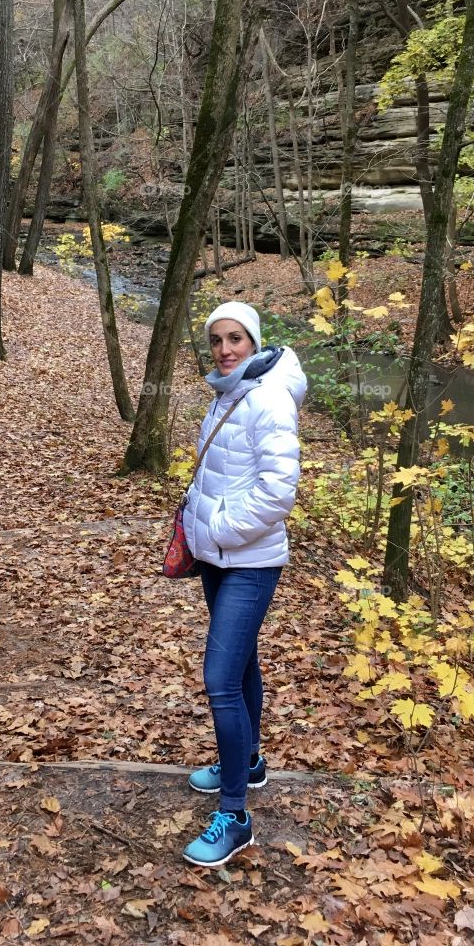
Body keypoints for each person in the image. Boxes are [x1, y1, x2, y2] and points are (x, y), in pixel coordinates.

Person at [180, 300, 307, 868]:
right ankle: (249, 761)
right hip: (218, 555)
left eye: (236, 339)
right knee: (244, 664)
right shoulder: (227, 393)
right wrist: (202, 528)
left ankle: (235, 815)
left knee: (219, 680)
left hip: (250, 560)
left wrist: (221, 526)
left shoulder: (269, 398)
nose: (225, 349)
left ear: (255, 343)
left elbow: (280, 492)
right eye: (216, 340)